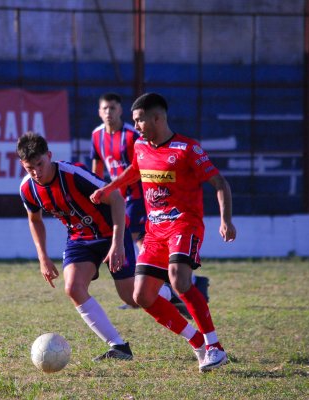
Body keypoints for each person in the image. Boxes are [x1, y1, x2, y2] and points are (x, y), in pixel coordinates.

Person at [91, 93, 237, 372]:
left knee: (179, 280)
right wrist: (107, 189)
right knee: (142, 296)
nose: (136, 126)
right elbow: (133, 172)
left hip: (184, 224)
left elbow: (220, 183)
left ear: (156, 117)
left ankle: (215, 347)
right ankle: (197, 342)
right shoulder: (142, 147)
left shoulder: (187, 149)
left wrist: (225, 220)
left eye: (139, 120)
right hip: (155, 231)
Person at [17, 131, 134, 361]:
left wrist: (118, 243)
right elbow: (35, 220)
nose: (36, 172)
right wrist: (43, 258)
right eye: (29, 168)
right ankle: (119, 347)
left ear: (49, 155)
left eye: (40, 164)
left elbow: (117, 198)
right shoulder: (27, 189)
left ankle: (169, 292)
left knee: (132, 297)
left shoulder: (73, 174)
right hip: (80, 238)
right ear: (22, 164)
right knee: (72, 288)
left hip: (111, 233)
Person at [90, 92, 211, 312]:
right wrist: (102, 189)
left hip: (139, 196)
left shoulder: (132, 136)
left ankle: (159, 288)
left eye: (113, 108)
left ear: (120, 110)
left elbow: (138, 169)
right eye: (104, 108)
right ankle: (178, 285)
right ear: (99, 112)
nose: (109, 113)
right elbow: (98, 166)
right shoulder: (96, 135)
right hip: (118, 196)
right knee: (137, 241)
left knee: (135, 238)